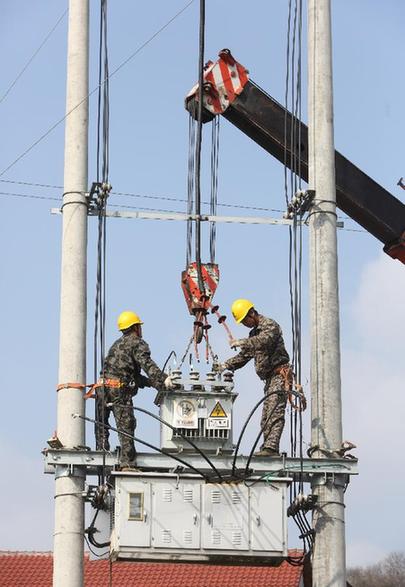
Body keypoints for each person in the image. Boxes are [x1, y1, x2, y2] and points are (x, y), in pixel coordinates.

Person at [95, 310, 174, 470]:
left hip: (102, 387)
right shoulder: (137, 343)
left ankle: (101, 454)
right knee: (126, 426)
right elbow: (146, 364)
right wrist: (163, 379)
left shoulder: (116, 345)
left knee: (102, 425)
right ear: (136, 327)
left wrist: (153, 383)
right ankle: (127, 464)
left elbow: (132, 375)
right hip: (118, 390)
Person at [217, 299, 292, 457]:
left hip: (279, 375)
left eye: (244, 321)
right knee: (266, 417)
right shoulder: (253, 334)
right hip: (270, 379)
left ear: (252, 313)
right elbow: (244, 356)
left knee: (274, 412)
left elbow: (264, 341)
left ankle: (271, 449)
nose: (244, 324)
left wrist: (242, 342)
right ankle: (268, 448)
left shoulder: (269, 325)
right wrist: (226, 365)